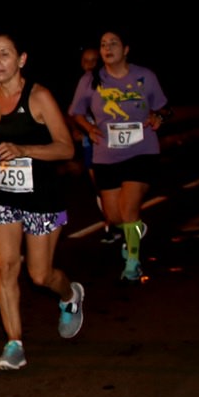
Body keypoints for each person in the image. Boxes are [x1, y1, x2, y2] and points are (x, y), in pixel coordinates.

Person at [0, 34, 85, 372]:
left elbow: (66, 147)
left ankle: (70, 295)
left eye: (5, 54)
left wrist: (24, 150)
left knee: (40, 275)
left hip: (42, 197)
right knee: (6, 266)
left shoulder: (39, 96)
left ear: (21, 59)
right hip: (2, 196)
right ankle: (14, 344)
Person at [67, 28, 171, 282]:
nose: (107, 48)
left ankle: (133, 262)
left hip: (141, 151)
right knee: (114, 217)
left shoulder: (144, 76)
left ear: (125, 50)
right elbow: (75, 112)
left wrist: (158, 117)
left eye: (113, 43)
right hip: (106, 155)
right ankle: (134, 230)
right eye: (104, 44)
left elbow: (164, 108)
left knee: (128, 209)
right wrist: (89, 128)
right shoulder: (91, 80)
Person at [68, 46, 119, 246]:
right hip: (91, 142)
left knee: (116, 185)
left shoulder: (110, 80)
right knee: (100, 186)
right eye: (85, 61)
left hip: (114, 141)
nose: (89, 65)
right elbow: (73, 111)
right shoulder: (83, 83)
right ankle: (111, 225)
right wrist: (78, 129)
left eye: (93, 61)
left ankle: (123, 222)